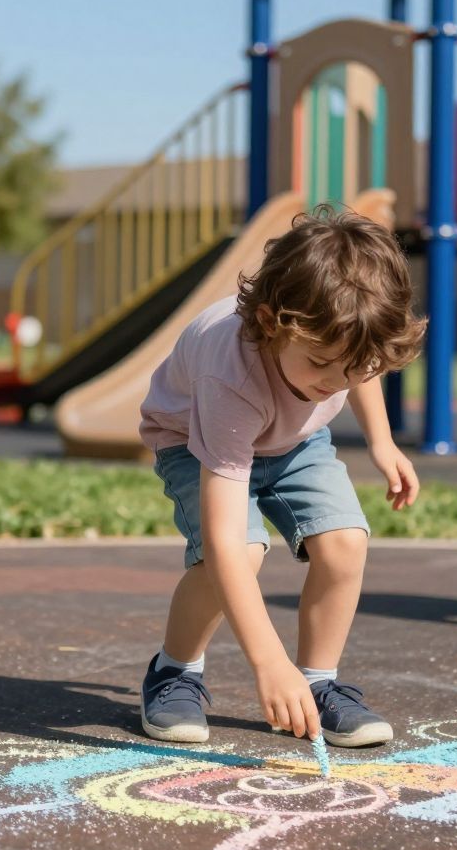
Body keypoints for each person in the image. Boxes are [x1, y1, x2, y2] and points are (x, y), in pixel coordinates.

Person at [136, 205, 426, 749]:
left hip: (293, 438)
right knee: (240, 552)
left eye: (351, 366)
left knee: (344, 543)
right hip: (195, 440)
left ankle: (319, 683)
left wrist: (383, 444)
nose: (334, 380)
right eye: (320, 362)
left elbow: (358, 362)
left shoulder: (340, 345)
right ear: (272, 323)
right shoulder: (230, 375)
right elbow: (223, 542)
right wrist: (269, 663)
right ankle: (174, 672)